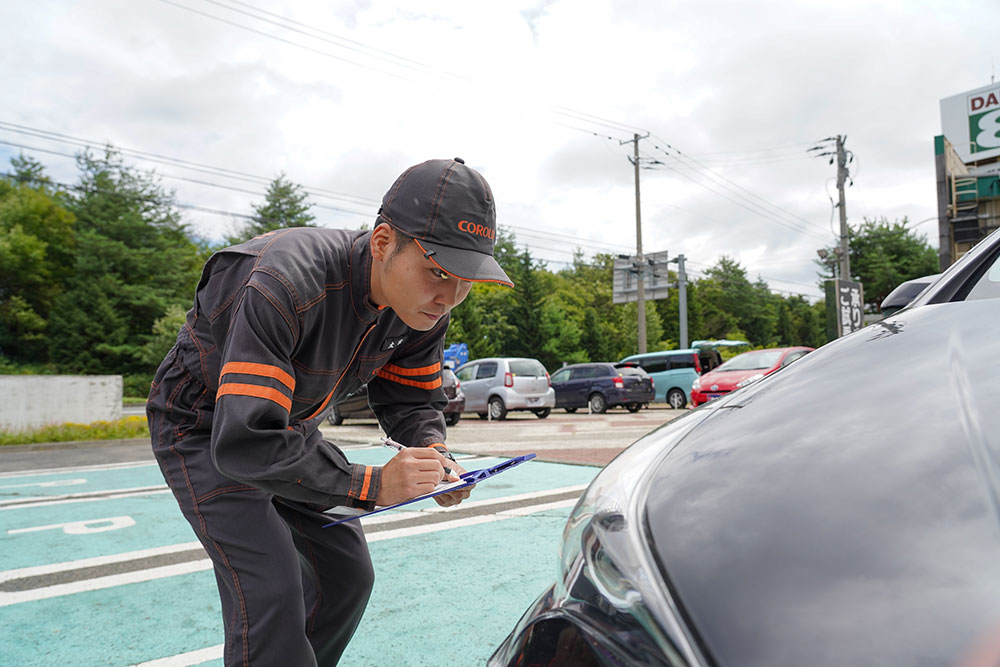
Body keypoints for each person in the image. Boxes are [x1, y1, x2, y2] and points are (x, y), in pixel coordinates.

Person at [146, 157, 513, 666]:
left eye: (466, 279)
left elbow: (411, 399)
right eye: (437, 272)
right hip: (205, 427)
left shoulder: (421, 309)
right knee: (271, 587)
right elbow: (247, 440)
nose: (449, 297)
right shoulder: (281, 282)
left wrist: (434, 454)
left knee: (346, 575)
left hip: (288, 431)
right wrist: (376, 485)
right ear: (384, 242)